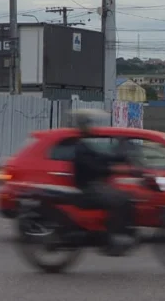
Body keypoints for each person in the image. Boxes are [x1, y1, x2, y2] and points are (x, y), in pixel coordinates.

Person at [70, 109, 136, 256]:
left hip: (95, 184)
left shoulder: (85, 144)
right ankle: (111, 239)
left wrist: (118, 157)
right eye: (88, 123)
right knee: (121, 199)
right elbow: (93, 165)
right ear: (83, 125)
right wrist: (110, 169)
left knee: (124, 196)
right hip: (89, 187)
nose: (91, 126)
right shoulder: (80, 146)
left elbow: (100, 157)